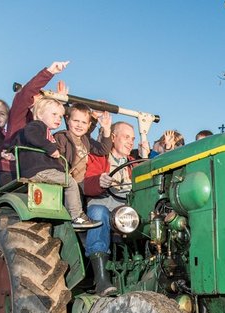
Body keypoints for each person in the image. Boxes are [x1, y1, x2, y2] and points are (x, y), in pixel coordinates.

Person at [10, 97, 100, 229]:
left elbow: (20, 138)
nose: (58, 119)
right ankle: (77, 216)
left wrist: (10, 151)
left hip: (42, 170)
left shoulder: (44, 132)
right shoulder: (37, 126)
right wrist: (50, 148)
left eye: (60, 116)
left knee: (68, 182)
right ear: (40, 114)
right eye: (54, 114)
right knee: (70, 182)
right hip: (40, 171)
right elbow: (30, 134)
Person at [82, 121, 143, 295]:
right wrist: (99, 181)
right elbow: (87, 184)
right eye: (126, 137)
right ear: (113, 137)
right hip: (103, 201)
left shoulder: (133, 163)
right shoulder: (100, 158)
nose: (130, 142)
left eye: (132, 138)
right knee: (98, 213)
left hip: (126, 208)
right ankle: (101, 279)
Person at [0, 61, 70, 186]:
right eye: (37, 95)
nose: (38, 99)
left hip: (33, 169)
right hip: (12, 171)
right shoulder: (19, 117)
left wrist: (59, 103)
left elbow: (51, 116)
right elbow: (26, 94)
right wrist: (50, 72)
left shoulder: (41, 123)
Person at [54, 103, 112, 189]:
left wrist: (107, 130)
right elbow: (58, 159)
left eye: (84, 122)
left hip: (83, 184)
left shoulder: (86, 140)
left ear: (89, 125)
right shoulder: (62, 136)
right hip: (68, 183)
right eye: (76, 121)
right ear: (67, 120)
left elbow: (103, 150)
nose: (79, 125)